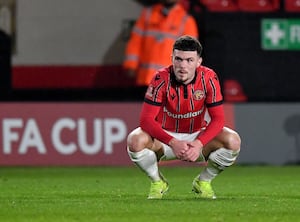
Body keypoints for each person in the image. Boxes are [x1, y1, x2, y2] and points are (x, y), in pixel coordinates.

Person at [126, 35, 241, 199]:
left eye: (189, 60)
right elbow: (146, 121)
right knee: (134, 140)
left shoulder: (209, 78)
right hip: (164, 139)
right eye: (178, 59)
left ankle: (203, 182)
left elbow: (218, 119)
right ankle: (158, 182)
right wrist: (173, 142)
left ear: (199, 62)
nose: (182, 66)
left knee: (233, 141)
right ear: (172, 58)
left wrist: (199, 143)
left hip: (197, 136)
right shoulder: (160, 78)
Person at [123, 0, 199, 86]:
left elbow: (190, 54)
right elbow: (135, 41)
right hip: (146, 79)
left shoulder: (187, 21)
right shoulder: (147, 14)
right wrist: (131, 65)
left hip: (171, 82)